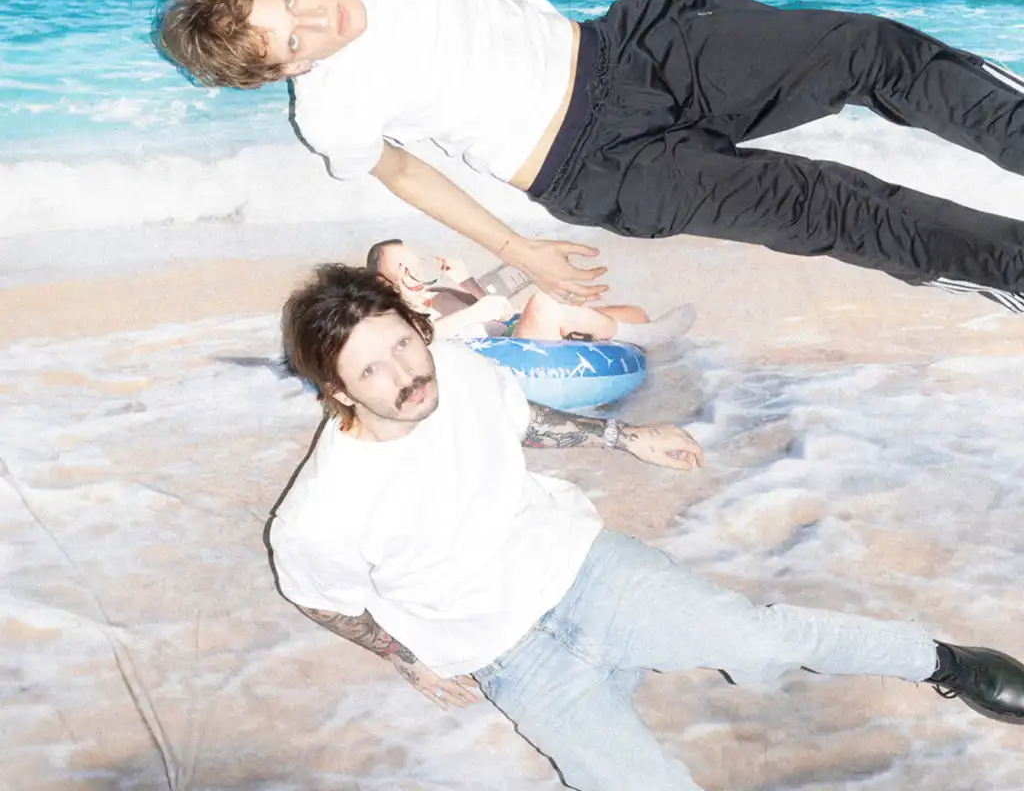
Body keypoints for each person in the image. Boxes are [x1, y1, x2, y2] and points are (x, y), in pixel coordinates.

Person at [157, 0, 1024, 314]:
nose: (317, 23)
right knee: (832, 207)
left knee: (867, 50)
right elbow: (403, 171)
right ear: (286, 73)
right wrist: (518, 249)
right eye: (294, 46)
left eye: (291, 3)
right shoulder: (328, 109)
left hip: (639, 50)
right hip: (606, 170)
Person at [267, 264, 1024, 791]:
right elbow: (318, 599)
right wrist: (408, 662)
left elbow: (517, 417)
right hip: (503, 654)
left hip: (584, 569)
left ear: (416, 326)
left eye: (403, 343)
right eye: (372, 371)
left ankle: (945, 661)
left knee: (758, 639)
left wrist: (626, 438)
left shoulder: (456, 369)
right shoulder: (320, 514)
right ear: (338, 390)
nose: (406, 375)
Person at [366, 236, 694, 343]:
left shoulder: (440, 293)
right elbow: (420, 340)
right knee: (542, 304)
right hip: (513, 356)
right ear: (383, 281)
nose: (414, 270)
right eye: (402, 267)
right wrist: (475, 313)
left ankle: (645, 335)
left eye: (415, 261)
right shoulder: (395, 315)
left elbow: (502, 310)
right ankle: (647, 337)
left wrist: (467, 283)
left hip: (513, 331)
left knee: (631, 312)